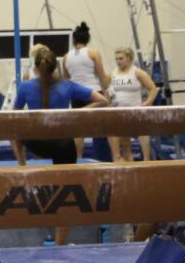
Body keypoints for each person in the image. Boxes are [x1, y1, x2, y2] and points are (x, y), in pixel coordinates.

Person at [12, 44, 108, 245]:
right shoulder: (67, 86)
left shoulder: (25, 86)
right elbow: (102, 100)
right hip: (63, 146)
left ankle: (22, 166)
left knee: (14, 129)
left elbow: (13, 116)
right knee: (64, 193)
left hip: (36, 143)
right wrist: (76, 114)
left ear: (36, 68)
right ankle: (59, 243)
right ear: (55, 67)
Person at [62, 21, 110, 158]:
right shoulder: (93, 53)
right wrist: (106, 93)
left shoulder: (66, 57)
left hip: (76, 95)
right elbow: (102, 77)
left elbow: (66, 81)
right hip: (94, 93)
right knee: (102, 128)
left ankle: (78, 158)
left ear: (74, 40)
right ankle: (110, 157)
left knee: (79, 131)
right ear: (87, 39)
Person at [108, 46, 158, 161]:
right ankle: (127, 164)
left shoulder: (137, 72)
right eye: (116, 59)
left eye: (121, 58)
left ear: (129, 58)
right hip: (119, 112)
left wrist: (147, 103)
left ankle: (146, 160)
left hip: (135, 111)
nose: (118, 61)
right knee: (125, 143)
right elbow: (110, 90)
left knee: (143, 135)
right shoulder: (114, 73)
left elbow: (153, 89)